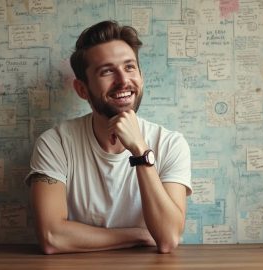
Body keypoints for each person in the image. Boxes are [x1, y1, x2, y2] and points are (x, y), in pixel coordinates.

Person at [26, 20, 192, 255]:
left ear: (141, 76)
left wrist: (140, 150)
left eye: (130, 67)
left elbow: (167, 239)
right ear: (82, 89)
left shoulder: (171, 144)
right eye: (107, 71)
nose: (123, 81)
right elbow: (51, 237)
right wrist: (140, 235)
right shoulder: (55, 144)